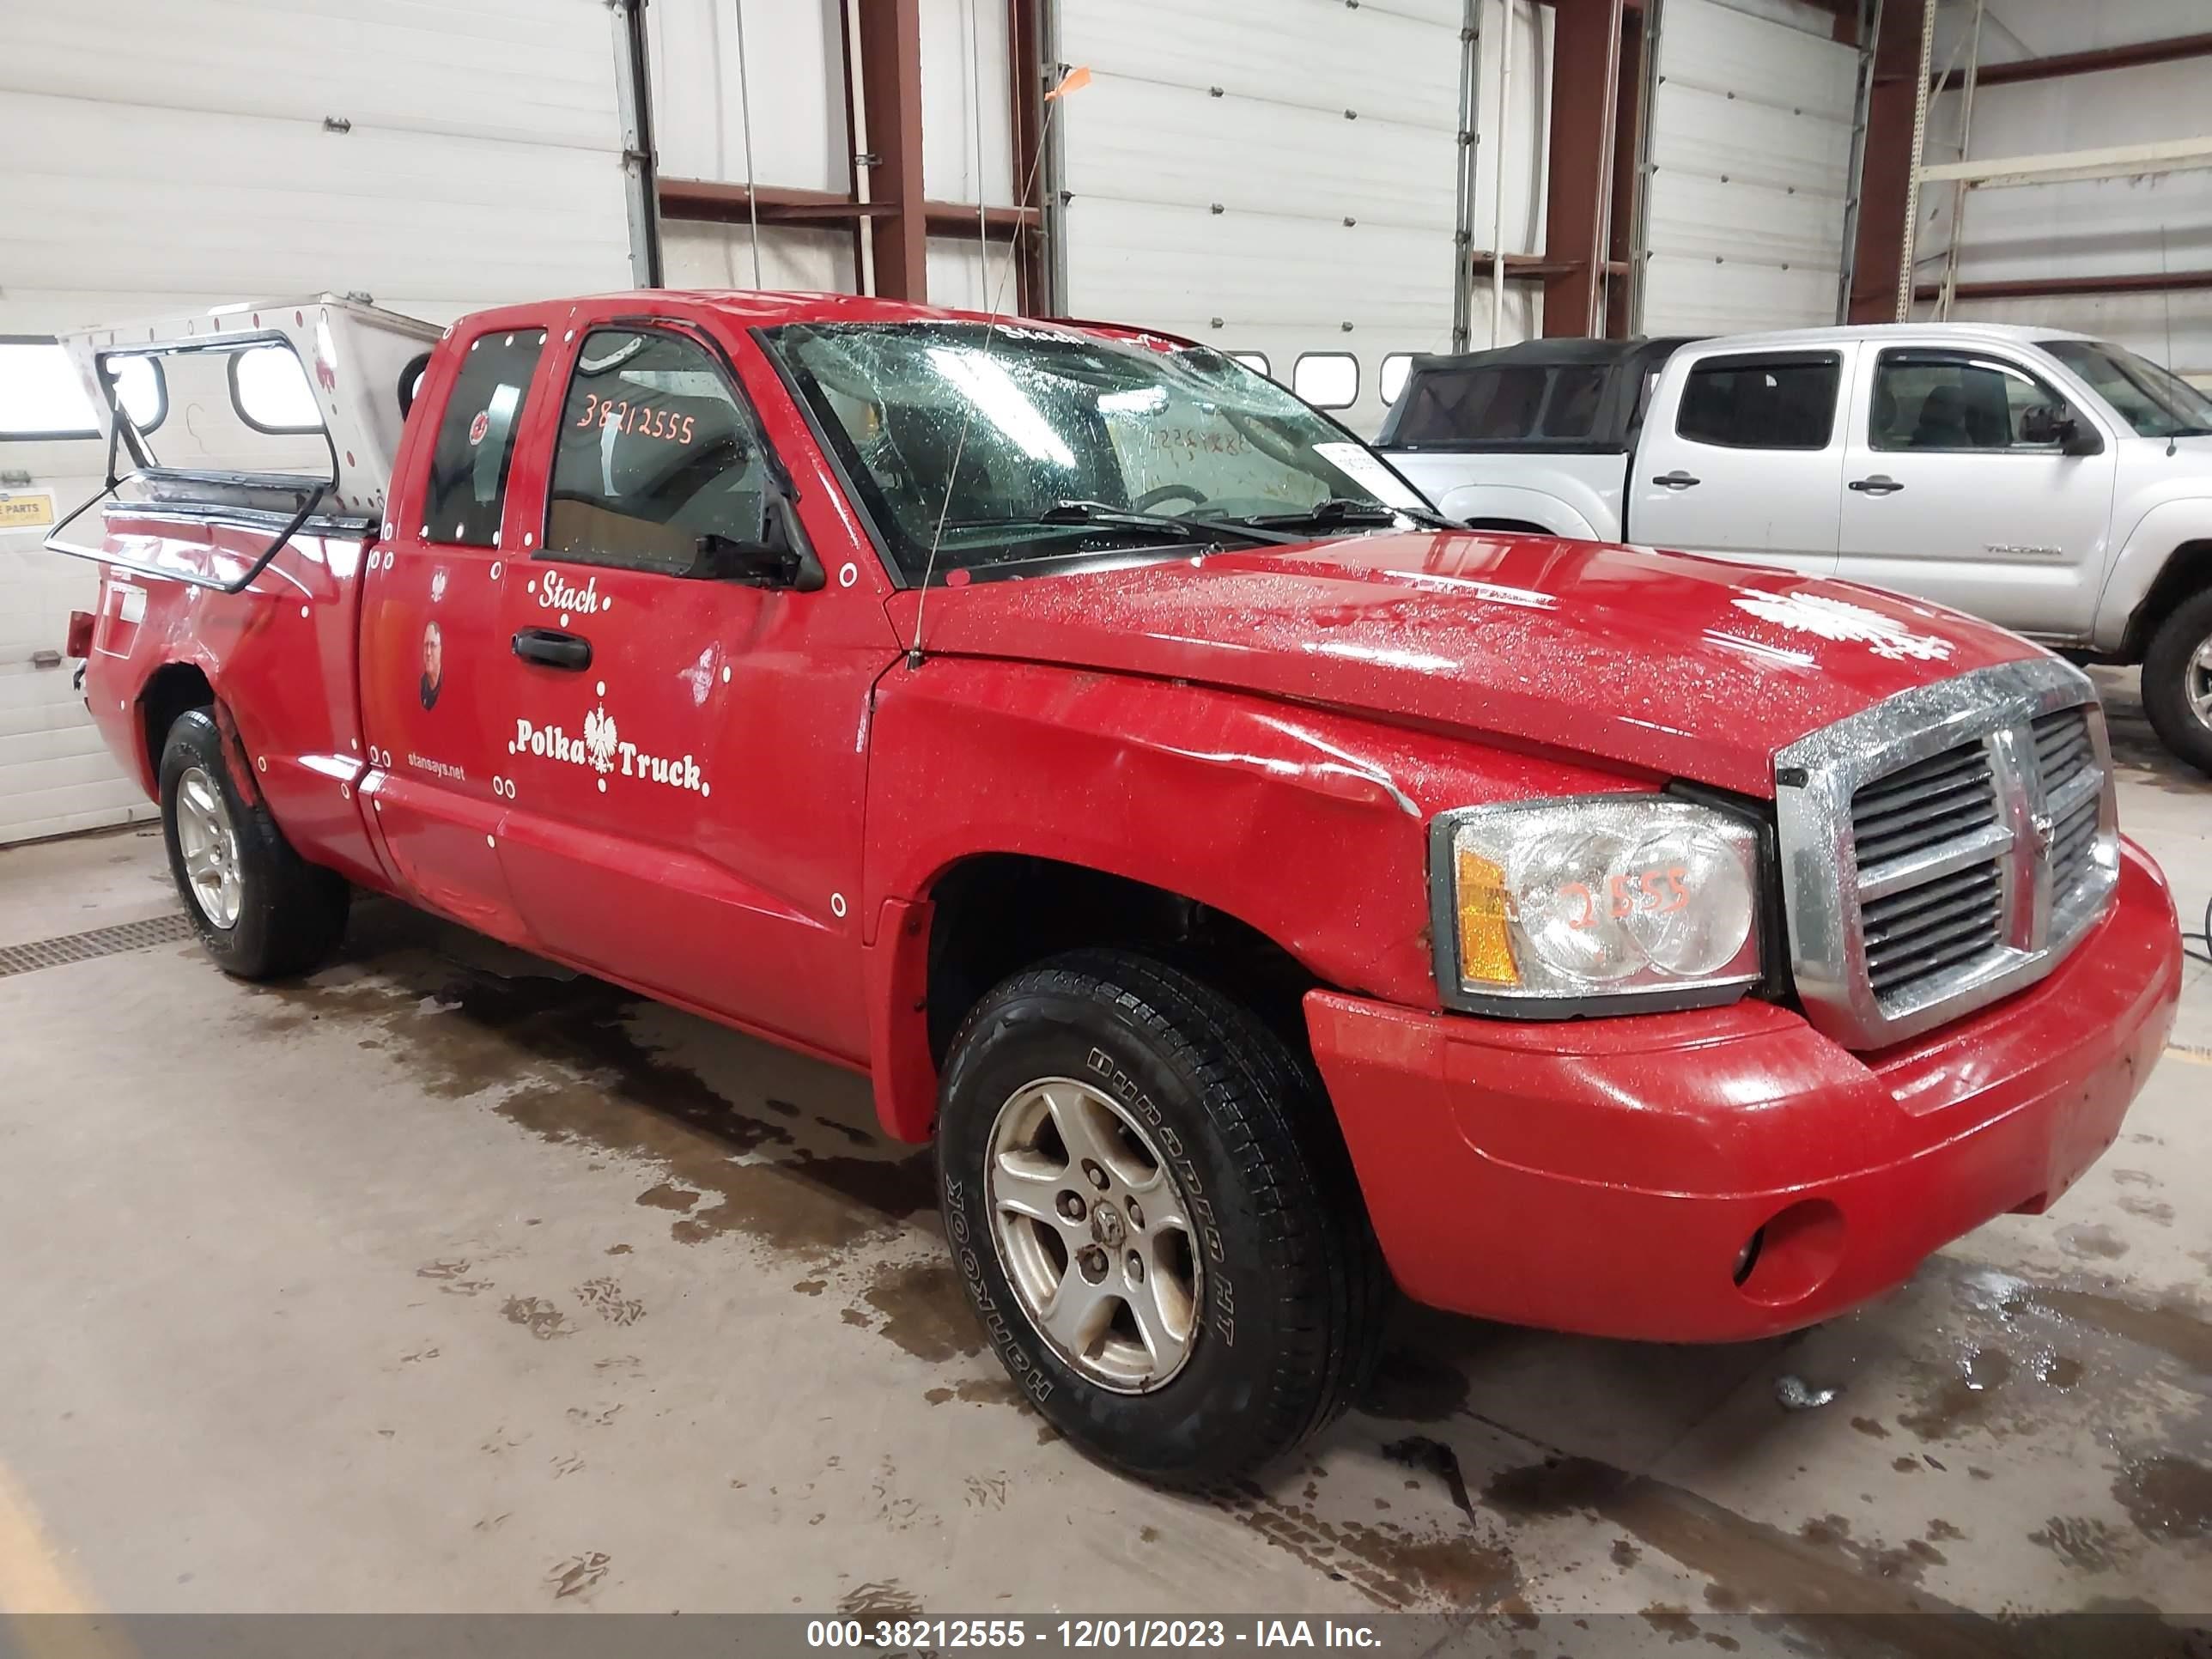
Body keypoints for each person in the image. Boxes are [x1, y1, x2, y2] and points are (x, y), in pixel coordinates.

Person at [420, 619, 444, 711]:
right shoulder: (420, 687)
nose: (428, 652)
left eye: (433, 645)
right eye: (426, 645)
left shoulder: (452, 688)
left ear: (440, 649)